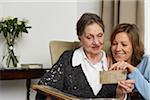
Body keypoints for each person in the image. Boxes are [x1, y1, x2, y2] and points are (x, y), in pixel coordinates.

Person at [36, 13, 134, 100]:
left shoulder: (114, 61)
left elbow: (125, 96)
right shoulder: (68, 59)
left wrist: (120, 95)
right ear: (80, 38)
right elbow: (44, 91)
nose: (96, 42)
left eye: (100, 35)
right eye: (89, 37)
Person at [109, 23, 150, 100]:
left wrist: (133, 70)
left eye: (124, 44)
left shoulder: (147, 62)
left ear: (134, 46)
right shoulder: (109, 65)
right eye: (114, 44)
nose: (118, 49)